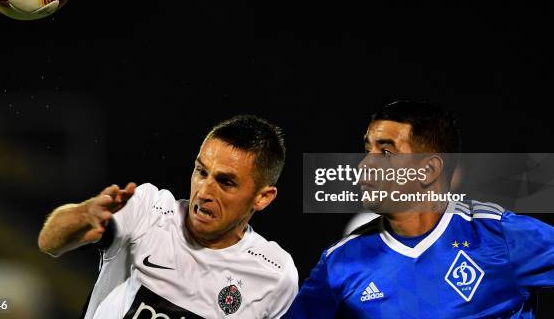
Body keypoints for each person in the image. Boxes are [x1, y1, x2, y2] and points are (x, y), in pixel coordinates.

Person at [284, 100, 554, 318]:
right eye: (367, 150)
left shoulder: (498, 235)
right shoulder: (340, 263)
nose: (364, 164)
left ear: (428, 170)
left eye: (386, 153)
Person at [38, 115, 298, 318]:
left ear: (262, 197)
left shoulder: (275, 274)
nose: (204, 191)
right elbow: (49, 242)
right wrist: (84, 213)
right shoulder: (147, 210)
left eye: (226, 182)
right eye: (201, 172)